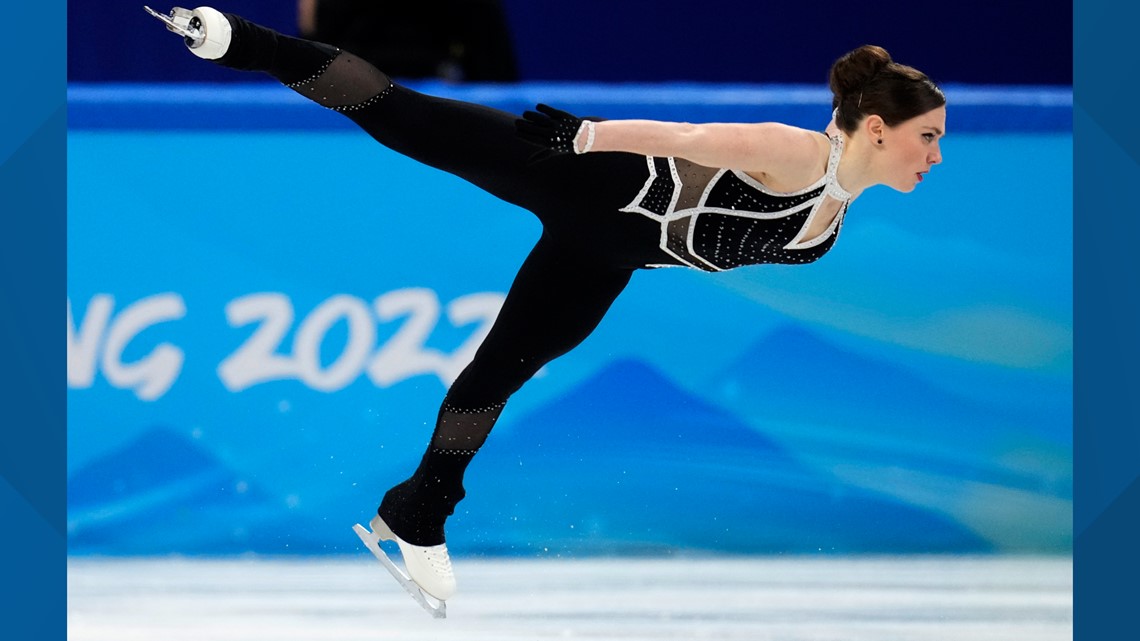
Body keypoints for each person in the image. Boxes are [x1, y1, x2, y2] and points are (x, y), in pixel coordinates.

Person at [148, 6, 945, 609]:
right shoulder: (799, 155)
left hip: (608, 255)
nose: (936, 155)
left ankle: (418, 509)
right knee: (405, 115)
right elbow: (695, 138)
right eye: (929, 137)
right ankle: (234, 39)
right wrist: (588, 138)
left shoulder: (831, 218)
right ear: (878, 128)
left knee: (500, 369)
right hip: (593, 181)